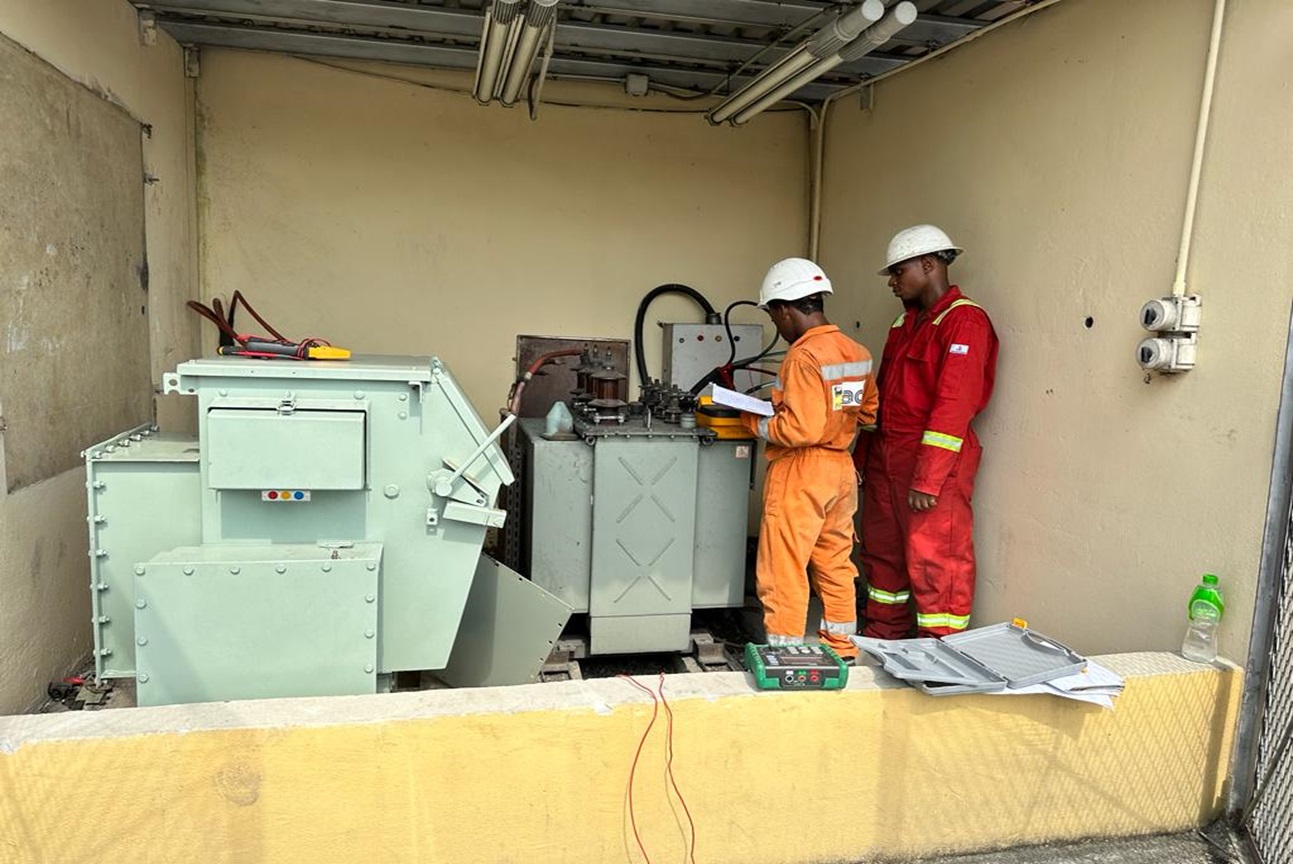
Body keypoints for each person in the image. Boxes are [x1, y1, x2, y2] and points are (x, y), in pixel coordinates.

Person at [856, 225, 999, 639]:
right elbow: (881, 398)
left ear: (929, 264)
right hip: (887, 458)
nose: (893, 282)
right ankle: (884, 637)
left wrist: (928, 477)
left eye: (898, 272)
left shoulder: (964, 321)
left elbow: (954, 405)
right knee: (882, 553)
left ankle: (940, 650)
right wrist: (862, 458)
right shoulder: (904, 323)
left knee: (937, 560)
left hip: (931, 465)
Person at [741, 258, 878, 659]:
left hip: (801, 470)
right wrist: (832, 419)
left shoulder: (803, 356)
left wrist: (753, 419)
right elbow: (867, 412)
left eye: (773, 315)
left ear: (785, 308)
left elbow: (800, 429)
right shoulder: (856, 352)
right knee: (835, 560)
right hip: (840, 468)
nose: (776, 324)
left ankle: (783, 651)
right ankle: (842, 645)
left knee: (783, 564)